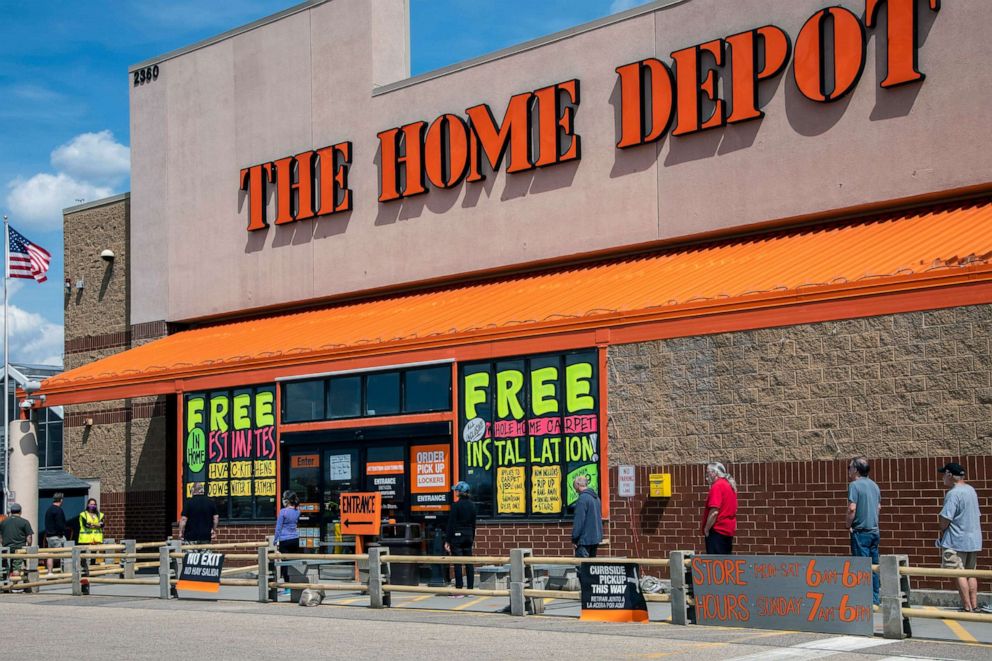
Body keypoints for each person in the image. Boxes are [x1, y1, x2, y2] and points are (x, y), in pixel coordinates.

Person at [936, 463, 987, 613]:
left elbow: (945, 518)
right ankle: (974, 605)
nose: (943, 478)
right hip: (973, 539)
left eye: (944, 474)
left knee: (958, 572)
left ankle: (966, 606)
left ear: (949, 474)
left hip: (956, 540)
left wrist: (942, 529)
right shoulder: (971, 490)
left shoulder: (953, 493)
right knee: (971, 573)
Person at [847, 457, 881, 605]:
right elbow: (878, 508)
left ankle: (863, 600)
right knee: (873, 567)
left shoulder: (854, 485)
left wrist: (847, 523)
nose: (848, 471)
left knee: (862, 567)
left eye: (849, 468)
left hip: (861, 532)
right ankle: (874, 599)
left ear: (856, 469)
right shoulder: (875, 486)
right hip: (874, 531)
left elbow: (852, 508)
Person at [445, 481, 477, 597]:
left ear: (460, 492)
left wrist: (448, 540)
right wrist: (472, 537)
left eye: (456, 490)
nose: (455, 492)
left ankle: (459, 590)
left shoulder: (456, 505)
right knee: (469, 563)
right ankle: (470, 590)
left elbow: (451, 524)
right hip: (468, 536)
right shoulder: (472, 506)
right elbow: (473, 524)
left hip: (457, 537)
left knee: (458, 563)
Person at [702, 462, 738, 554]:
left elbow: (714, 512)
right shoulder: (729, 485)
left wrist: (706, 528)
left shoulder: (717, 486)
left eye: (708, 472)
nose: (706, 476)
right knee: (725, 563)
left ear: (714, 473)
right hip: (728, 530)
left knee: (715, 564)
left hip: (717, 530)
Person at [571, 475, 603, 558]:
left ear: (578, 484)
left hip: (584, 541)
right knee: (590, 568)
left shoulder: (582, 499)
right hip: (595, 539)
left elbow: (579, 521)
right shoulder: (596, 498)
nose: (574, 489)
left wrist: (574, 539)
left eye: (574, 485)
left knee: (582, 568)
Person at [0, 503, 33, 582]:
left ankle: (6, 586)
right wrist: (28, 546)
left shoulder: (3, 522)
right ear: (20, 512)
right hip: (19, 549)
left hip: (6, 549)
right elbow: (29, 537)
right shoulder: (25, 522)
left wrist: (3, 544)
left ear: (11, 511)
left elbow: (0, 537)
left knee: (6, 567)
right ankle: (15, 586)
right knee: (16, 568)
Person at [275, 490, 301, 591]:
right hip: (295, 539)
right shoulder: (297, 511)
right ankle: (294, 586)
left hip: (284, 540)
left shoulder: (283, 512)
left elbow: (278, 528)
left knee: (285, 563)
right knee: (293, 562)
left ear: (287, 500)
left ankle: (287, 588)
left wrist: (275, 541)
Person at [44, 492, 69, 573]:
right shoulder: (58, 510)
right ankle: (64, 572)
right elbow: (60, 525)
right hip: (57, 536)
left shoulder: (49, 510)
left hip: (49, 536)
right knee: (65, 554)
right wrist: (64, 531)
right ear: (61, 500)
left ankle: (50, 572)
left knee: (50, 555)